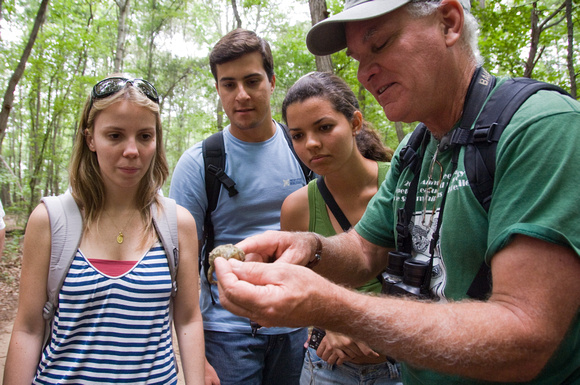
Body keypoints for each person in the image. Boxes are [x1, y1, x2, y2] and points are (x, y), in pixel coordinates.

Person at [212, 1, 580, 384]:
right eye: (357, 58)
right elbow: (365, 250)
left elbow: (525, 335)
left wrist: (330, 306)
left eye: (381, 44)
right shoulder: (416, 150)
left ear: (449, 23)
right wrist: (309, 247)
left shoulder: (540, 127)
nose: (364, 73)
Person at [3, 76, 205, 384]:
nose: (132, 150)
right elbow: (29, 328)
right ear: (90, 138)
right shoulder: (50, 220)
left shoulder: (177, 223)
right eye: (115, 135)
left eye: (145, 136)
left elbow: (188, 319)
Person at [169, 29, 308, 385]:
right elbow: (179, 262)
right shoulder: (200, 162)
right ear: (217, 90)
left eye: (252, 81)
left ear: (272, 81)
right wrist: (194, 356)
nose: (241, 95)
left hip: (298, 326)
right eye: (228, 84)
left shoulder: (305, 150)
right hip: (225, 332)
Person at [280, 71, 400, 385]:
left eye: (324, 127)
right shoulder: (297, 207)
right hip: (328, 368)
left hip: (405, 365)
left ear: (355, 123)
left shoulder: (403, 183)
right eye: (297, 135)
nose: (312, 144)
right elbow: (297, 289)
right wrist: (326, 326)